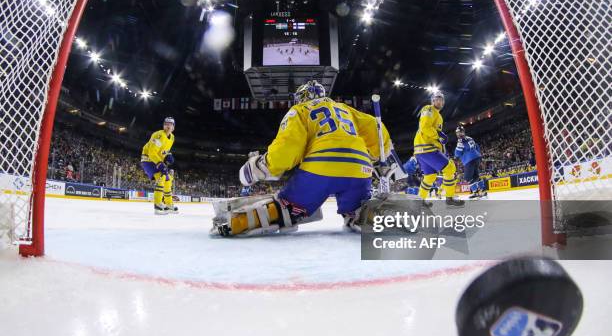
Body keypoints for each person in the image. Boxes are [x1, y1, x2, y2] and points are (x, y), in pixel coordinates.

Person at [211, 80, 398, 237]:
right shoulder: (345, 109)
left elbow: (287, 150)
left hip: (320, 169)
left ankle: (234, 223)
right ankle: (377, 215)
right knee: (360, 208)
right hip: (359, 171)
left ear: (302, 96)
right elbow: (376, 127)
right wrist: (376, 157)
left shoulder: (299, 110)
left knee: (286, 208)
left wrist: (261, 166)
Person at [413, 92, 464, 207]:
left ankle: (419, 201)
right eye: (436, 99)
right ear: (432, 101)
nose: (439, 101)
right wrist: (439, 136)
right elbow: (425, 127)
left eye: (441, 99)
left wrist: (440, 142)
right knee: (450, 168)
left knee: (430, 176)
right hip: (426, 147)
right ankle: (449, 198)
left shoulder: (438, 116)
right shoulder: (429, 109)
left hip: (421, 150)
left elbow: (431, 130)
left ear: (443, 102)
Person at [140, 117, 178, 215]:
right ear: (163, 125)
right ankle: (157, 205)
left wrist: (168, 155)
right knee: (161, 177)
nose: (168, 125)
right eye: (166, 123)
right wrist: (160, 163)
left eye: (171, 124)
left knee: (168, 179)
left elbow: (163, 150)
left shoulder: (172, 137)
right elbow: (152, 152)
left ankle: (169, 204)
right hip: (148, 159)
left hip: (157, 160)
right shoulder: (158, 135)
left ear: (173, 127)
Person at [455, 125, 486, 198]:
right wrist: (479, 155)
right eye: (457, 133)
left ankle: (476, 192)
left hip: (469, 160)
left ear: (462, 132)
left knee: (467, 178)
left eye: (459, 132)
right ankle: (482, 191)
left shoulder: (460, 141)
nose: (458, 134)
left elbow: (458, 153)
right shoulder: (470, 138)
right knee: (476, 176)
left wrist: (455, 153)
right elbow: (477, 146)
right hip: (476, 158)